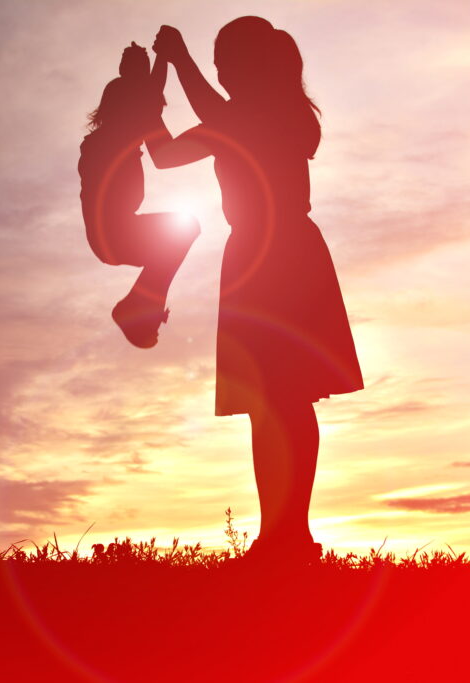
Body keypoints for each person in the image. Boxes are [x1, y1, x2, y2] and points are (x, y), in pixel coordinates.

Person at [150, 17, 365, 565]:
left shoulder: (260, 115)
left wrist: (170, 70)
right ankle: (283, 536)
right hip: (268, 254)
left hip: (276, 257)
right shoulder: (259, 116)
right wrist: (159, 85)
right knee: (274, 403)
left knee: (283, 399)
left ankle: (288, 536)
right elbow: (173, 150)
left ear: (247, 65)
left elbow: (195, 131)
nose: (219, 72)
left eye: (224, 62)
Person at [79, 42, 201, 348]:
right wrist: (157, 58)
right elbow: (149, 95)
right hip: (115, 232)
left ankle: (141, 306)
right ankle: (138, 306)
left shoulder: (109, 138)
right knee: (185, 229)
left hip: (109, 234)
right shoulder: (115, 139)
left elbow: (149, 94)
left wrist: (157, 58)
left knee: (180, 235)